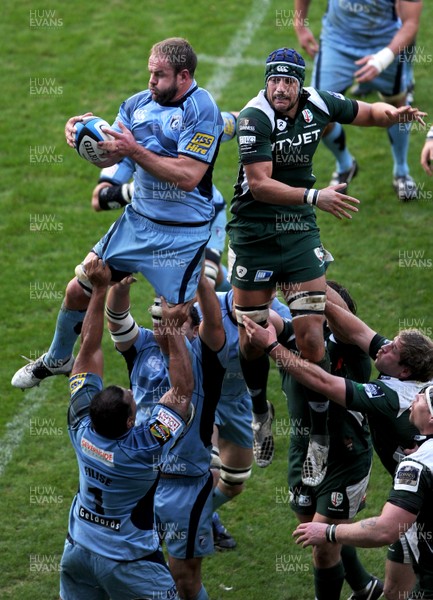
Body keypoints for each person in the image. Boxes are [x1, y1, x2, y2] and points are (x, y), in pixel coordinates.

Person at [226, 46, 426, 483]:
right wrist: (318, 196)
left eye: (288, 81)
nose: (280, 88)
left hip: (298, 229)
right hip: (254, 233)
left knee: (312, 337)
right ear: (266, 81)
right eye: (273, 80)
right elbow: (258, 186)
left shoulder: (317, 101)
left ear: (300, 84)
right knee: (252, 336)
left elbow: (363, 111)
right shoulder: (253, 118)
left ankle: (318, 433)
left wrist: (394, 115)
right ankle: (260, 409)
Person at [12, 36, 223, 390]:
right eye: (150, 73)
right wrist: (82, 135)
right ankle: (58, 357)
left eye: (160, 75)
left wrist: (135, 150)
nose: (151, 82)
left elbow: (189, 177)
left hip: (182, 234)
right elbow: (111, 153)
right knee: (80, 286)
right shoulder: (138, 104)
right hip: (138, 223)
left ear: (184, 76)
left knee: (171, 326)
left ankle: (182, 401)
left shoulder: (201, 109)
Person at [243, 293, 433, 600]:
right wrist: (307, 294)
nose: (382, 344)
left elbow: (327, 384)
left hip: (403, 491)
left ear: (405, 371)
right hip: (410, 499)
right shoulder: (406, 374)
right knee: (395, 591)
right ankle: (365, 586)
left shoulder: (391, 397)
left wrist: (272, 347)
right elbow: (360, 331)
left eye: (392, 348)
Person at [59, 256, 194, 600]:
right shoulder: (144, 448)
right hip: (130, 563)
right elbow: (181, 392)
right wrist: (175, 330)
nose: (133, 391)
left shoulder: (82, 427)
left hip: (78, 551)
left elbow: (87, 351)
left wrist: (100, 288)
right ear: (131, 422)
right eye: (131, 399)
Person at [270, 282, 381, 600]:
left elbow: (340, 314)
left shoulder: (352, 347)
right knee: (320, 533)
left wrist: (309, 273)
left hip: (344, 456)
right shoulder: (295, 334)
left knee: (321, 546)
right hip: (302, 452)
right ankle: (365, 585)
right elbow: (260, 314)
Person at [293, 385, 433, 600]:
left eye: (422, 398)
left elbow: (385, 530)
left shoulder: (415, 467)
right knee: (393, 591)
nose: (415, 397)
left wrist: (328, 532)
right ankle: (367, 587)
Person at [293, 0, 423, 201]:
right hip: (337, 43)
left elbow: (411, 23)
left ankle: (401, 172)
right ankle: (345, 164)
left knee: (397, 107)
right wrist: (299, 24)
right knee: (317, 113)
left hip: (384, 45)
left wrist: (382, 60)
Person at [153, 274, 228, 600]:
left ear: (194, 331)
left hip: (187, 489)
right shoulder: (144, 350)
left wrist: (197, 275)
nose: (164, 324)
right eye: (159, 317)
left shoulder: (209, 360)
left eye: (176, 321)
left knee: (184, 577)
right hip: (145, 482)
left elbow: (213, 321)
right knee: (142, 569)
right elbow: (115, 323)